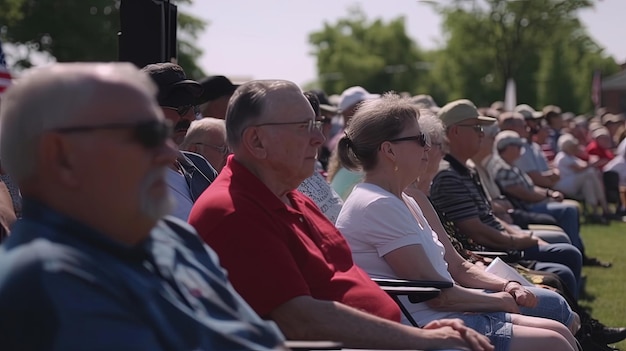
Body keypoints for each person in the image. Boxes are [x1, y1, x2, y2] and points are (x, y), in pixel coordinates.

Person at [189, 80, 493, 351]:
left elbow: (345, 280)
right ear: (256, 141)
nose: (319, 139)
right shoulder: (232, 211)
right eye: (303, 127)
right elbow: (303, 322)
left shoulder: (292, 198)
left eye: (316, 124)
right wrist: (420, 339)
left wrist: (414, 331)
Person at [0, 62, 286, 350]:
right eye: (147, 135)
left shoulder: (178, 239)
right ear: (62, 156)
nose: (169, 152)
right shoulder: (48, 279)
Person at [334, 94, 578, 351]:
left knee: (559, 331)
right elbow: (438, 297)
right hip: (427, 328)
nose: (428, 148)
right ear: (389, 150)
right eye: (420, 140)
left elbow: (456, 269)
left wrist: (508, 286)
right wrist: (501, 300)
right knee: (554, 341)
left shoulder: (401, 198)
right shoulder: (377, 205)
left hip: (447, 317)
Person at [429, 99, 583, 300]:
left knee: (566, 256)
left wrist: (519, 237)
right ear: (455, 131)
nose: (482, 134)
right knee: (563, 264)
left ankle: (580, 323)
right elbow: (477, 231)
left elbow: (488, 217)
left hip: (499, 248)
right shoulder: (448, 176)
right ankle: (581, 325)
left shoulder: (465, 170)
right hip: (493, 255)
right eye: (476, 127)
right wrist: (517, 240)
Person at [141, 63, 218, 220]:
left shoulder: (199, 165)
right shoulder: (124, 173)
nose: (190, 117)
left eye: (193, 108)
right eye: (181, 107)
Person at [554, 134, 610, 223]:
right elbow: (579, 168)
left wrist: (591, 163)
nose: (575, 148)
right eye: (573, 146)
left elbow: (583, 164)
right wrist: (593, 163)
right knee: (590, 172)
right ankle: (604, 206)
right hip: (565, 184)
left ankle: (595, 212)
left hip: (574, 182)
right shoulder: (562, 156)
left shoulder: (571, 156)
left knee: (588, 182)